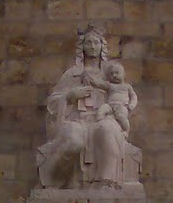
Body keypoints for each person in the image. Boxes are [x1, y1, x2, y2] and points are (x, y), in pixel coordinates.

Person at [36, 26, 132, 187]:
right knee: (74, 141)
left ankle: (105, 183)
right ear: (82, 47)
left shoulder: (111, 75)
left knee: (108, 130)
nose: (93, 47)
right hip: (76, 120)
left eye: (96, 43)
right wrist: (70, 96)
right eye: (88, 43)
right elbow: (53, 102)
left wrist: (118, 110)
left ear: (102, 46)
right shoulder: (72, 74)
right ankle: (53, 180)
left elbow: (123, 97)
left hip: (102, 118)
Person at [87, 60, 137, 134]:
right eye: (111, 74)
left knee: (121, 117)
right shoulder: (110, 85)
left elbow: (133, 96)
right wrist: (89, 78)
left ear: (124, 74)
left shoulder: (127, 86)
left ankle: (126, 130)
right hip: (110, 105)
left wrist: (132, 105)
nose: (114, 76)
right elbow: (99, 84)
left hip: (121, 106)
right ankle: (99, 124)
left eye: (117, 73)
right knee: (101, 110)